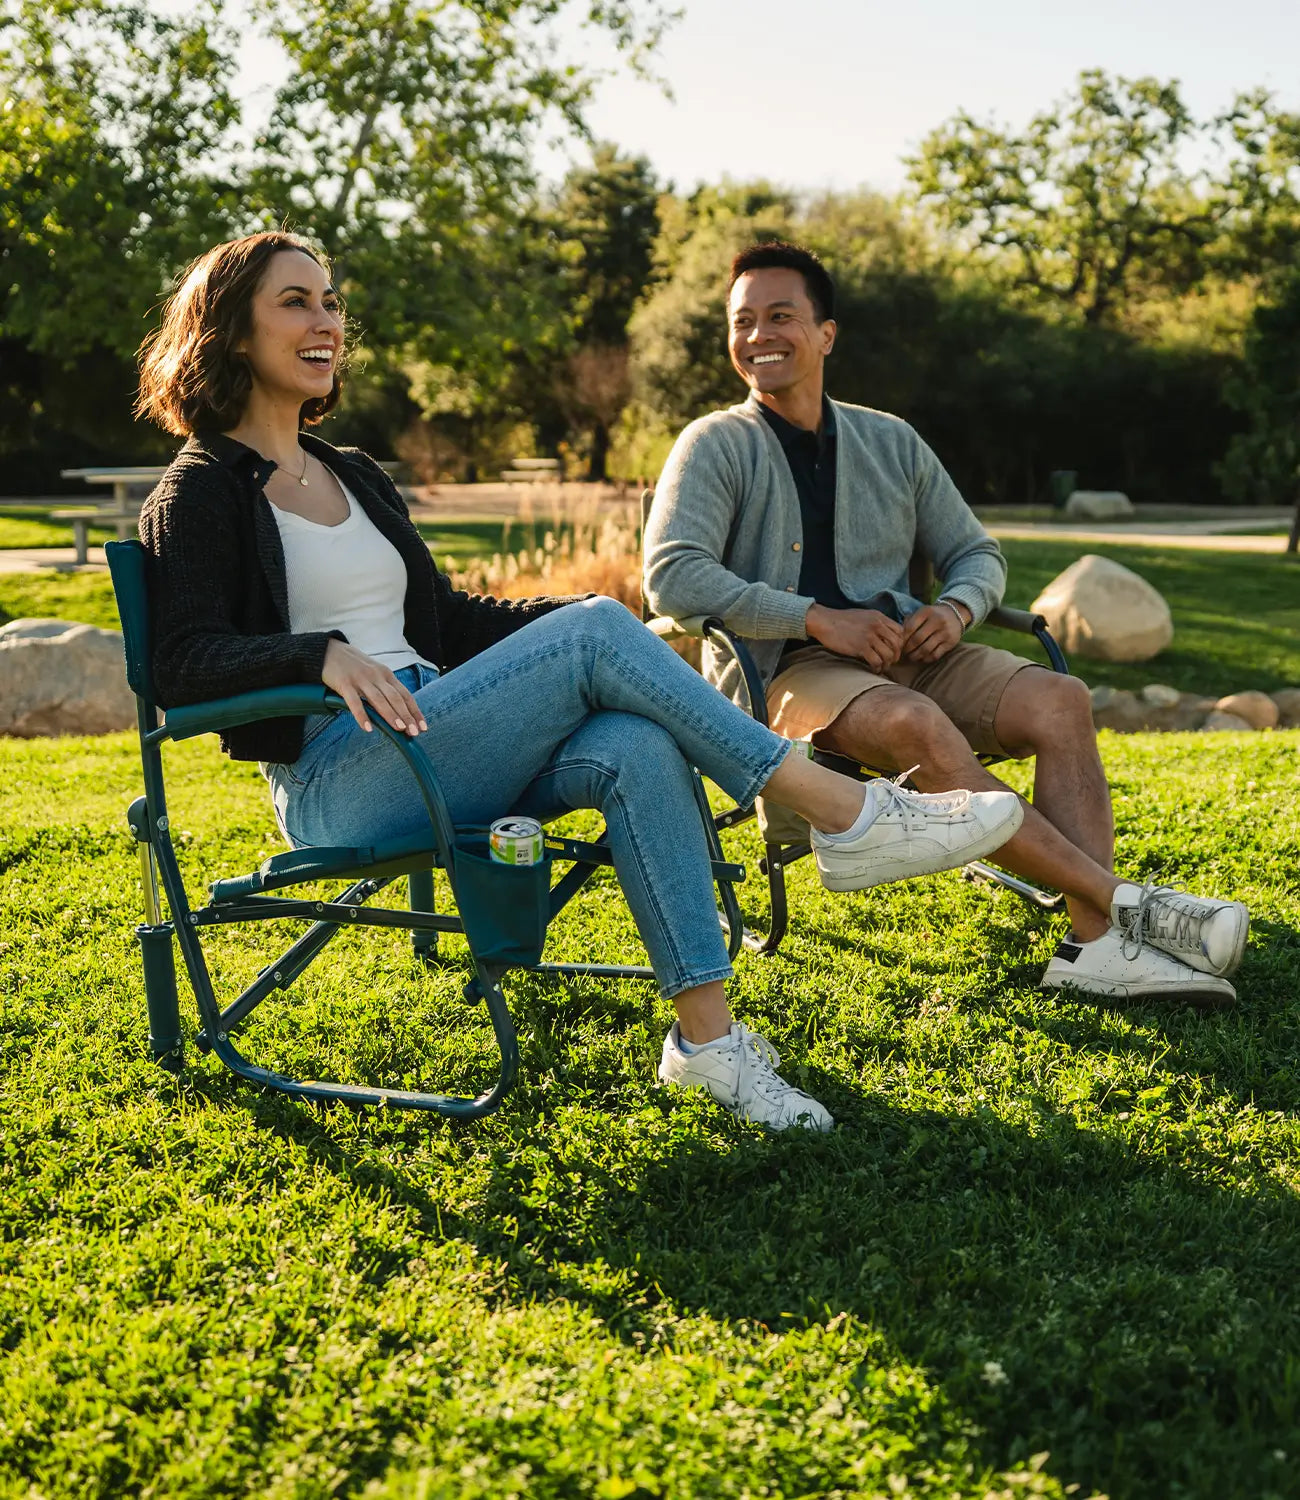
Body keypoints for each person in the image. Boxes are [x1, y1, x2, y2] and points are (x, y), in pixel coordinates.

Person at [133, 231, 1026, 1132]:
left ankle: (707, 1045)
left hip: (439, 737)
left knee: (633, 740)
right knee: (596, 632)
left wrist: (594, 622)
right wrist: (317, 654)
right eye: (296, 302)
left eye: (330, 301)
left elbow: (450, 623)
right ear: (231, 331)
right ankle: (844, 813)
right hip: (342, 776)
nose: (327, 320)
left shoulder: (351, 473)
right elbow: (181, 662)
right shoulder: (200, 488)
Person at [643, 239, 1250, 1005]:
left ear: (826, 334)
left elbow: (975, 551)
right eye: (743, 321)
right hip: (787, 673)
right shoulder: (713, 444)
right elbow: (671, 575)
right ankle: (1119, 910)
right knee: (916, 724)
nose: (759, 335)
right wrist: (815, 618)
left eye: (780, 316)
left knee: (1062, 700)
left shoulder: (891, 440)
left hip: (911, 653)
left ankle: (1093, 941)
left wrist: (957, 609)